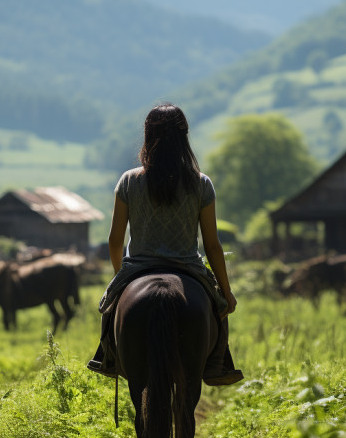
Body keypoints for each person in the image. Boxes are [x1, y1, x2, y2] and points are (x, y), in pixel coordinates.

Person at [87, 103, 243, 386]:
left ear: (148, 135)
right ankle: (219, 365)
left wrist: (120, 277)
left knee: (110, 310)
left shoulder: (129, 181)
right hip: (189, 269)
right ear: (184, 137)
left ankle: (107, 356)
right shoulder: (201, 184)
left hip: (138, 267)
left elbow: (114, 240)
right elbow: (212, 245)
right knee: (219, 311)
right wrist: (227, 292)